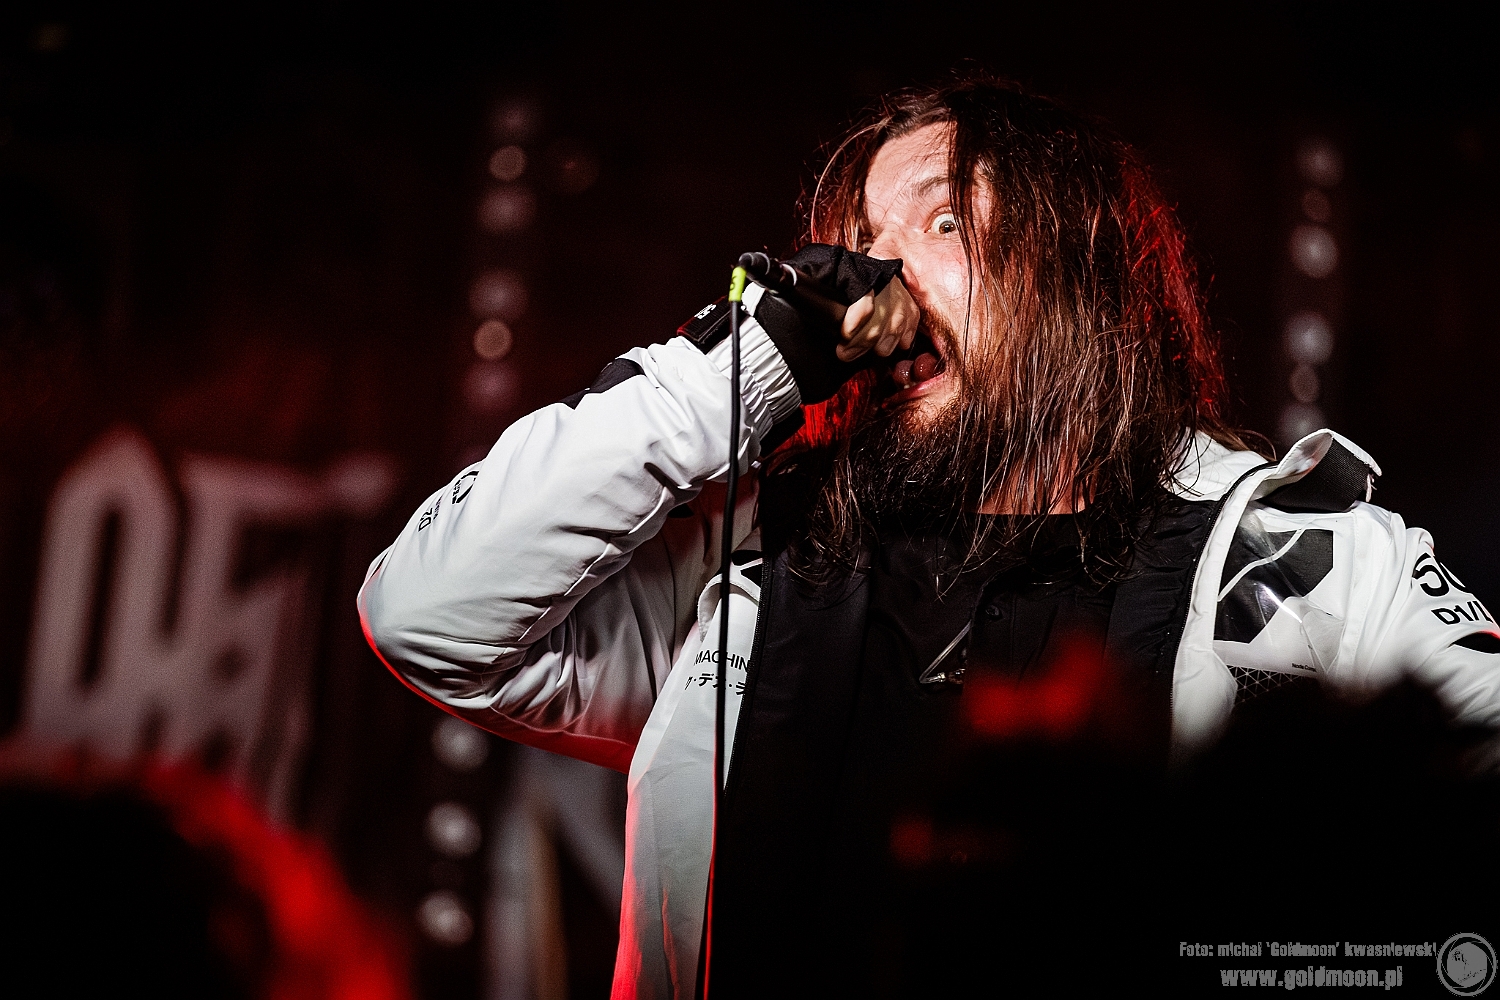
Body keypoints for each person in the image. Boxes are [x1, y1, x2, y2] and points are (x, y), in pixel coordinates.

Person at [358, 74, 1500, 997]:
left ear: (1085, 269)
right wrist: (740, 369)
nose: (879, 274)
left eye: (943, 220)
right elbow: (428, 614)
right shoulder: (747, 573)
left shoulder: (1312, 568)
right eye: (860, 239)